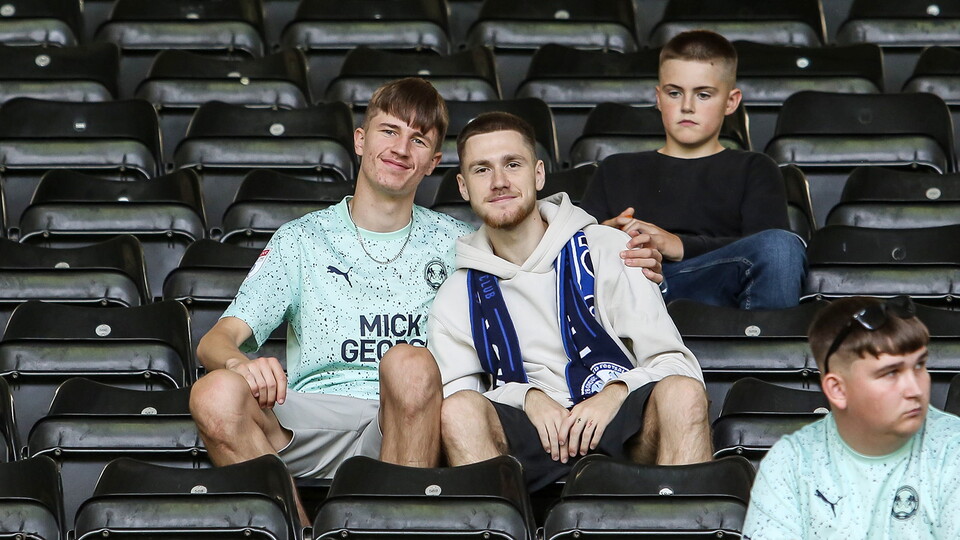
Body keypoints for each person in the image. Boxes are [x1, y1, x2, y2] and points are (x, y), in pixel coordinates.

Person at [189, 78, 662, 523]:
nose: (400, 148)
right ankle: (299, 530)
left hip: (419, 415)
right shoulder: (301, 240)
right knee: (213, 393)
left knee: (410, 364)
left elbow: (538, 250)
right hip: (314, 412)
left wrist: (609, 246)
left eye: (418, 139)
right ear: (359, 140)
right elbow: (217, 340)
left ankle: (397, 527)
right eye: (388, 131)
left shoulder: (462, 243)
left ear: (434, 162)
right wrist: (238, 365)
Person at [428, 111, 712, 491]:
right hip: (526, 437)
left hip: (616, 425)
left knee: (683, 393)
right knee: (459, 411)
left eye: (512, 164)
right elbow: (456, 397)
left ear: (539, 174)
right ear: (463, 187)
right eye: (482, 170)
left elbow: (677, 364)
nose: (499, 182)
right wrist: (528, 397)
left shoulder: (607, 249)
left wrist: (614, 393)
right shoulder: (455, 294)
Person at [579, 29, 806, 310]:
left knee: (780, 247)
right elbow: (577, 261)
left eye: (703, 95)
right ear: (659, 98)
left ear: (731, 102)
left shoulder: (755, 168)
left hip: (712, 286)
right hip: (633, 288)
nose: (687, 107)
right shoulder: (616, 168)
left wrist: (679, 245)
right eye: (675, 93)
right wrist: (605, 236)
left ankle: (763, 352)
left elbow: (771, 252)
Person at [742, 296, 960, 539]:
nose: (915, 389)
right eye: (890, 374)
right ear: (838, 390)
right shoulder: (790, 463)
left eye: (919, 366)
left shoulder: (954, 449)